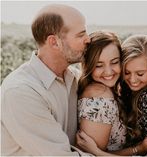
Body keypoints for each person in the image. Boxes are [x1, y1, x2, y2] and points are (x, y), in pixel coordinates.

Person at [1, 4, 90, 156]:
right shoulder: (21, 92)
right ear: (54, 42)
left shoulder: (74, 77)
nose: (88, 39)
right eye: (80, 35)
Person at [76, 34, 147, 156]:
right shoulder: (121, 91)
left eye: (140, 73)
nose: (133, 80)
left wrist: (96, 152)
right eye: (127, 72)